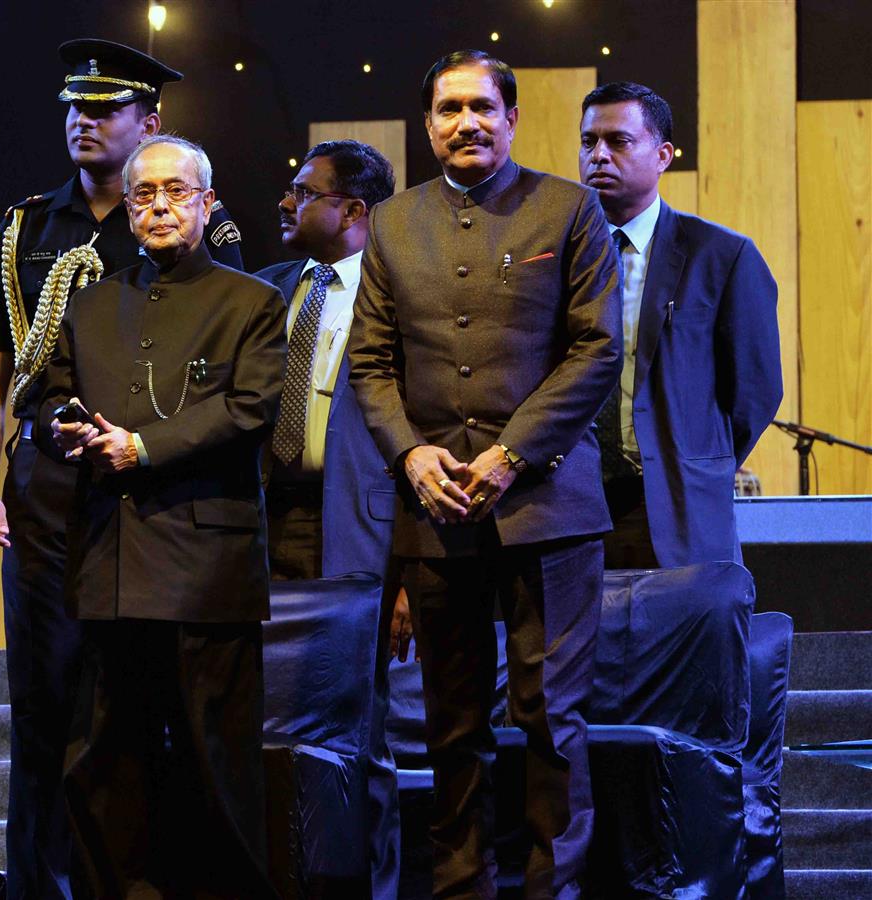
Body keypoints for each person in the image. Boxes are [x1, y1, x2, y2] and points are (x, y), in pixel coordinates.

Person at [0, 40, 244, 898]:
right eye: (75, 107)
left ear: (149, 122)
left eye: (106, 108)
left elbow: (221, 365)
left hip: (151, 490)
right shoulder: (25, 227)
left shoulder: (189, 223)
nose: (84, 120)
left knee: (135, 704)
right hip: (46, 490)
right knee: (43, 706)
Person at [348, 50, 623, 898]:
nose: (465, 123)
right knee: (450, 725)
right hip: (434, 509)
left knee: (549, 721)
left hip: (550, 508)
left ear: (510, 118)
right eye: (448, 109)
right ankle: (460, 888)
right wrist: (409, 451)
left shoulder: (569, 209)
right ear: (428, 124)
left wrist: (512, 452)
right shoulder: (393, 222)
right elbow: (368, 362)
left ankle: (554, 890)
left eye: (481, 108)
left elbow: (597, 348)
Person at [41, 135, 285, 898]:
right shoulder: (90, 302)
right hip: (109, 565)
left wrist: (142, 446)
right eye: (143, 195)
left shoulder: (253, 302)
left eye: (176, 192)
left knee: (218, 767)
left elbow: (250, 410)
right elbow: (51, 393)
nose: (157, 207)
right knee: (106, 763)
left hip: (205, 569)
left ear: (207, 204)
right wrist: (65, 425)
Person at [254, 138, 407, 898]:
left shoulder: (400, 293)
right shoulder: (264, 289)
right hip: (263, 528)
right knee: (270, 719)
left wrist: (409, 572)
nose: (286, 202)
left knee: (360, 727)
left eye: (302, 190)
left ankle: (368, 888)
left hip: (361, 531)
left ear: (353, 210)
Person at [578, 81, 782, 569]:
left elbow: (755, 392)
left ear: (663, 155)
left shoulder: (724, 255)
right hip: (576, 508)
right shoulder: (556, 256)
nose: (599, 156)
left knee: (685, 643)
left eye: (619, 142)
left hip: (678, 506)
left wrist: (696, 460)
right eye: (589, 142)